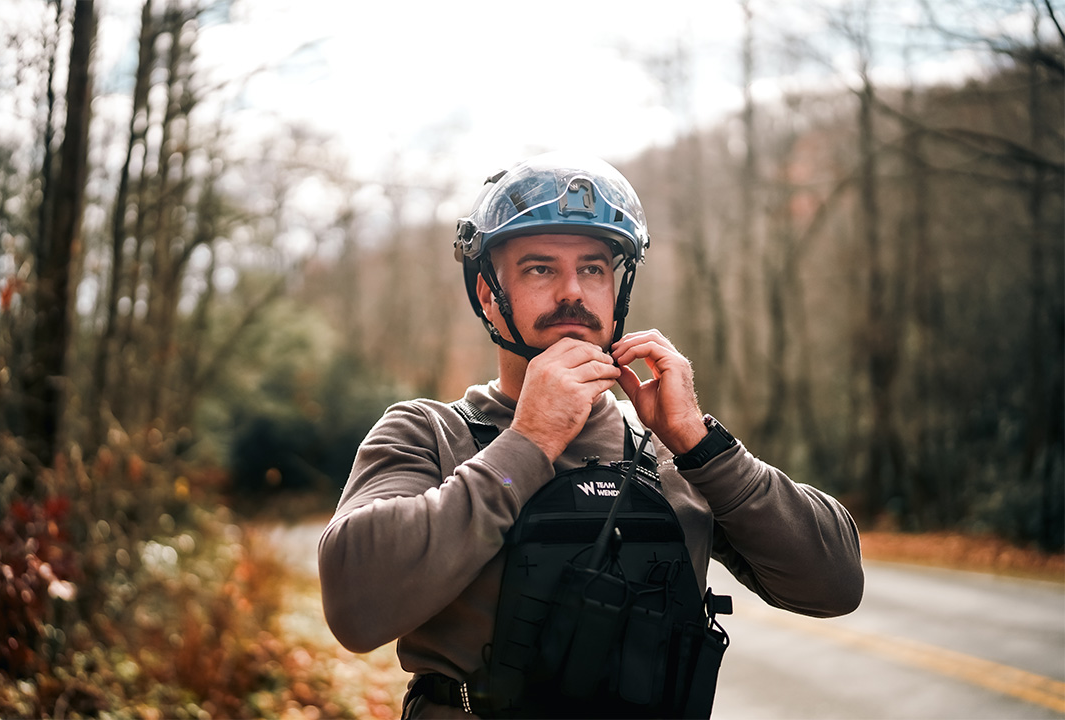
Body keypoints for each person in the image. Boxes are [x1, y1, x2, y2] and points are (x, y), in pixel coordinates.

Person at [318, 152, 863, 719]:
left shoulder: (670, 449)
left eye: (594, 268)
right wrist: (527, 443)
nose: (572, 292)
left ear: (615, 289)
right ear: (487, 293)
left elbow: (836, 586)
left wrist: (703, 447)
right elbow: (356, 607)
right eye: (539, 268)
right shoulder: (425, 432)